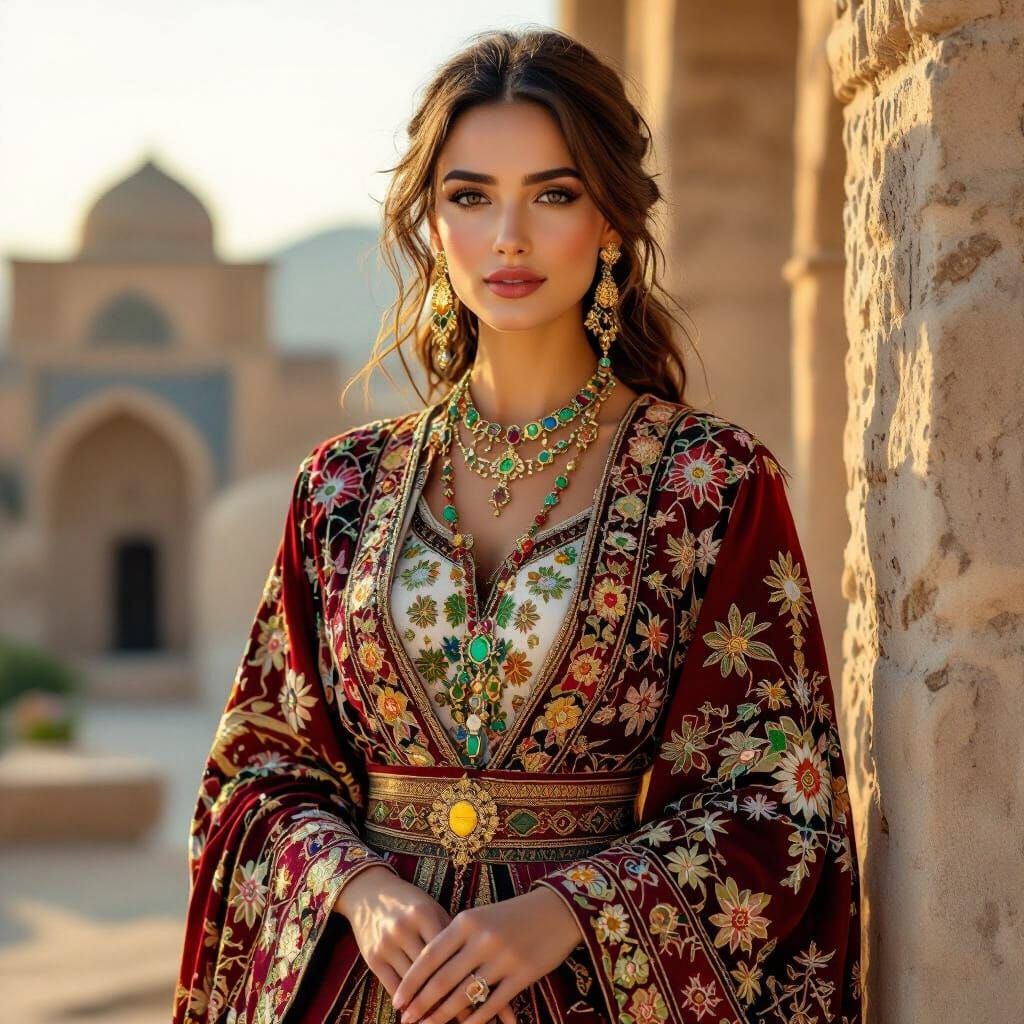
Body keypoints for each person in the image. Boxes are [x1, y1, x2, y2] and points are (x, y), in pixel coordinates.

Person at [171, 26, 863, 1024]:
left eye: (552, 193)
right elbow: (258, 775)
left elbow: (779, 799)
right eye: (470, 196)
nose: (508, 237)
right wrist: (360, 894)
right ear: (429, 223)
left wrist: (565, 914)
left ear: (612, 221)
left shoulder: (708, 482)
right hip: (369, 992)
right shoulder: (341, 488)